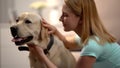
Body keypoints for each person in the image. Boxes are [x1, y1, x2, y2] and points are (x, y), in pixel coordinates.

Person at [27, 0, 120, 68]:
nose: (60, 19)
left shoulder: (93, 45)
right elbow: (67, 44)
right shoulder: (89, 37)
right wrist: (55, 31)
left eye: (65, 15)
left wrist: (42, 56)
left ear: (81, 18)